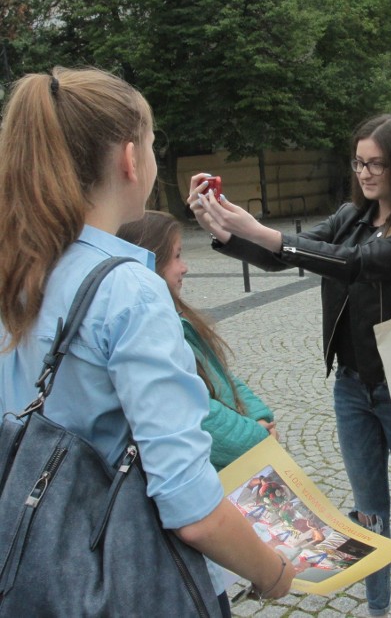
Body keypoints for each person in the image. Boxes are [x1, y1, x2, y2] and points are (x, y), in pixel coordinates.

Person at [0, 67, 296, 615]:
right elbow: (192, 508)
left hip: (29, 567)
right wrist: (273, 572)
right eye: (155, 144)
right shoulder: (128, 290)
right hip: (122, 579)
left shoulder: (18, 269)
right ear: (131, 160)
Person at [189, 113, 391, 618]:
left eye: (376, 164)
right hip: (353, 388)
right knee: (368, 515)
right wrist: (223, 224)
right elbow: (287, 257)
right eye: (358, 162)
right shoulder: (350, 217)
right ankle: (378, 610)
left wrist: (263, 232)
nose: (364, 173)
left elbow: (360, 264)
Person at [118, 210, 278, 470]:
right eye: (177, 256)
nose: (185, 267)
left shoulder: (177, 315)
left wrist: (258, 417)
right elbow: (195, 410)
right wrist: (256, 437)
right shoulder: (151, 331)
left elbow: (221, 375)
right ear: (152, 262)